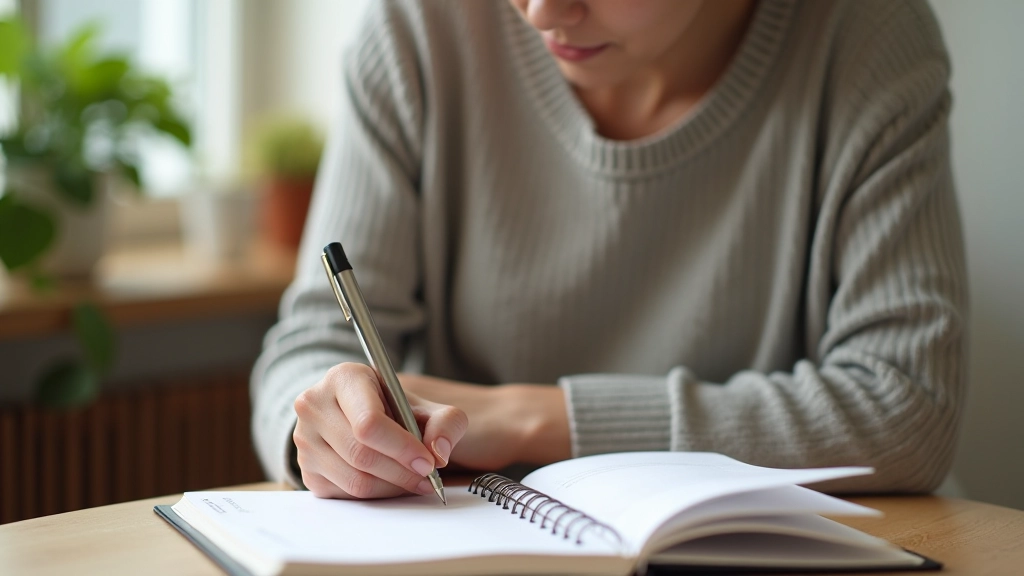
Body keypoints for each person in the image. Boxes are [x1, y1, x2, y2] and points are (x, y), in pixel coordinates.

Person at [251, 0, 967, 500]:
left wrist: (533, 419)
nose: (540, 11)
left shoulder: (867, 37)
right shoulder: (416, 26)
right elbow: (308, 350)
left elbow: (907, 406)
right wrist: (325, 430)